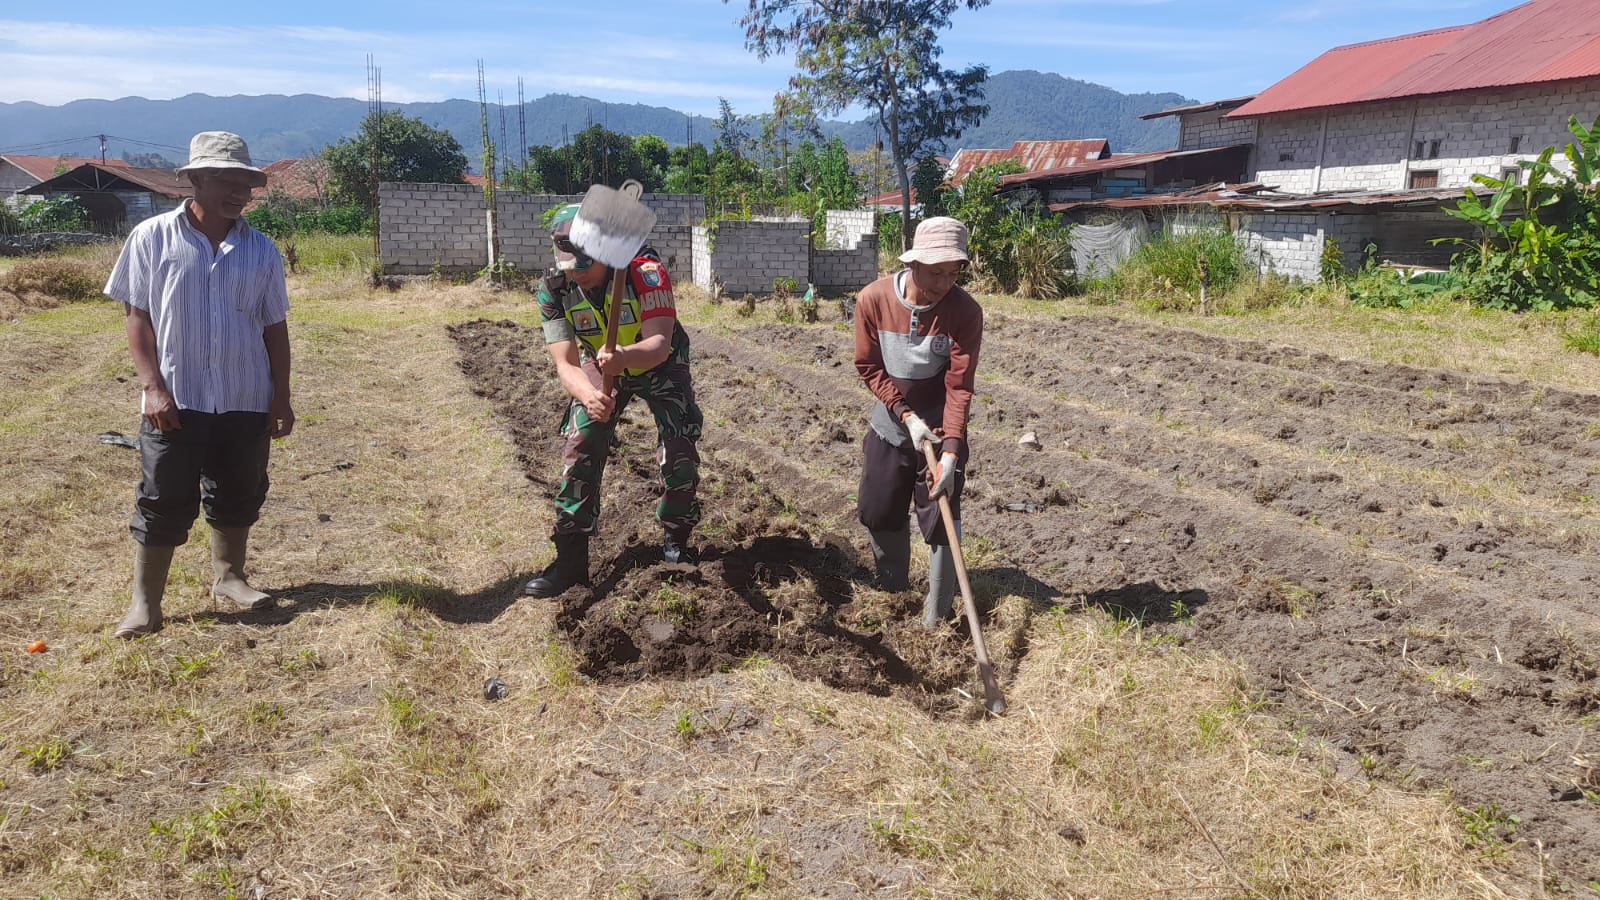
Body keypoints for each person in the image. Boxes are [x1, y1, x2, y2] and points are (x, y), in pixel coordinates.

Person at [105, 131, 293, 638]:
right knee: (163, 496)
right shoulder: (152, 238)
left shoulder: (261, 250)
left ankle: (230, 577)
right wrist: (152, 387)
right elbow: (136, 314)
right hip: (177, 396)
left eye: (247, 185)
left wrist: (281, 396)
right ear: (197, 181)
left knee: (240, 489)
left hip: (244, 395)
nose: (240, 194)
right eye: (228, 182)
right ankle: (146, 604)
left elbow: (274, 327)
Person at [523, 202, 702, 597]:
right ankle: (570, 560)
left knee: (679, 452)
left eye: (586, 264)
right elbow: (565, 363)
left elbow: (658, 343)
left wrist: (624, 357)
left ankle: (676, 539)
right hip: (598, 366)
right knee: (582, 441)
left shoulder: (644, 273)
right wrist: (589, 396)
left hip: (659, 365)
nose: (578, 273)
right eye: (571, 265)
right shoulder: (554, 287)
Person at [853, 217, 982, 629]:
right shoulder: (872, 300)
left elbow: (959, 387)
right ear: (912, 264)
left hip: (940, 430)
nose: (945, 283)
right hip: (890, 427)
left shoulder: (964, 312)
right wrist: (905, 415)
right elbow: (869, 366)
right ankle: (892, 594)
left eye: (953, 273)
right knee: (879, 508)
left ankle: (935, 618)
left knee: (941, 517)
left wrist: (950, 452)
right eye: (936, 273)